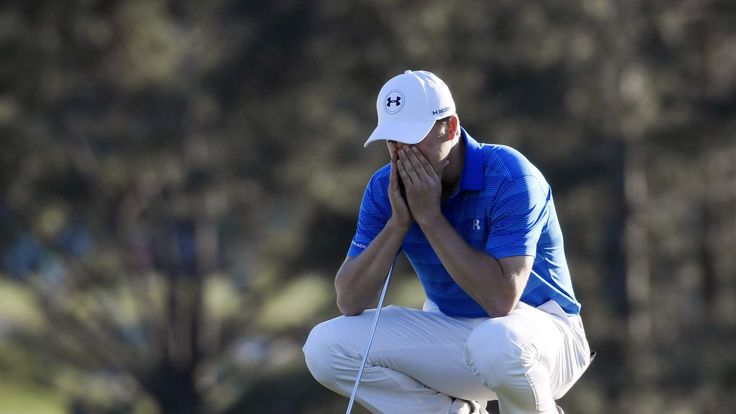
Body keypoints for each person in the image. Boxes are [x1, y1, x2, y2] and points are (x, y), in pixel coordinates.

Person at [303, 70, 592, 414]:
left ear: (451, 127)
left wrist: (430, 218)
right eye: (393, 140)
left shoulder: (512, 175)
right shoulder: (386, 188)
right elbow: (349, 300)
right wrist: (398, 223)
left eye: (413, 137)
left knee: (496, 343)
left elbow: (501, 300)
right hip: (454, 332)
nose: (401, 153)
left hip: (546, 336)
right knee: (325, 347)